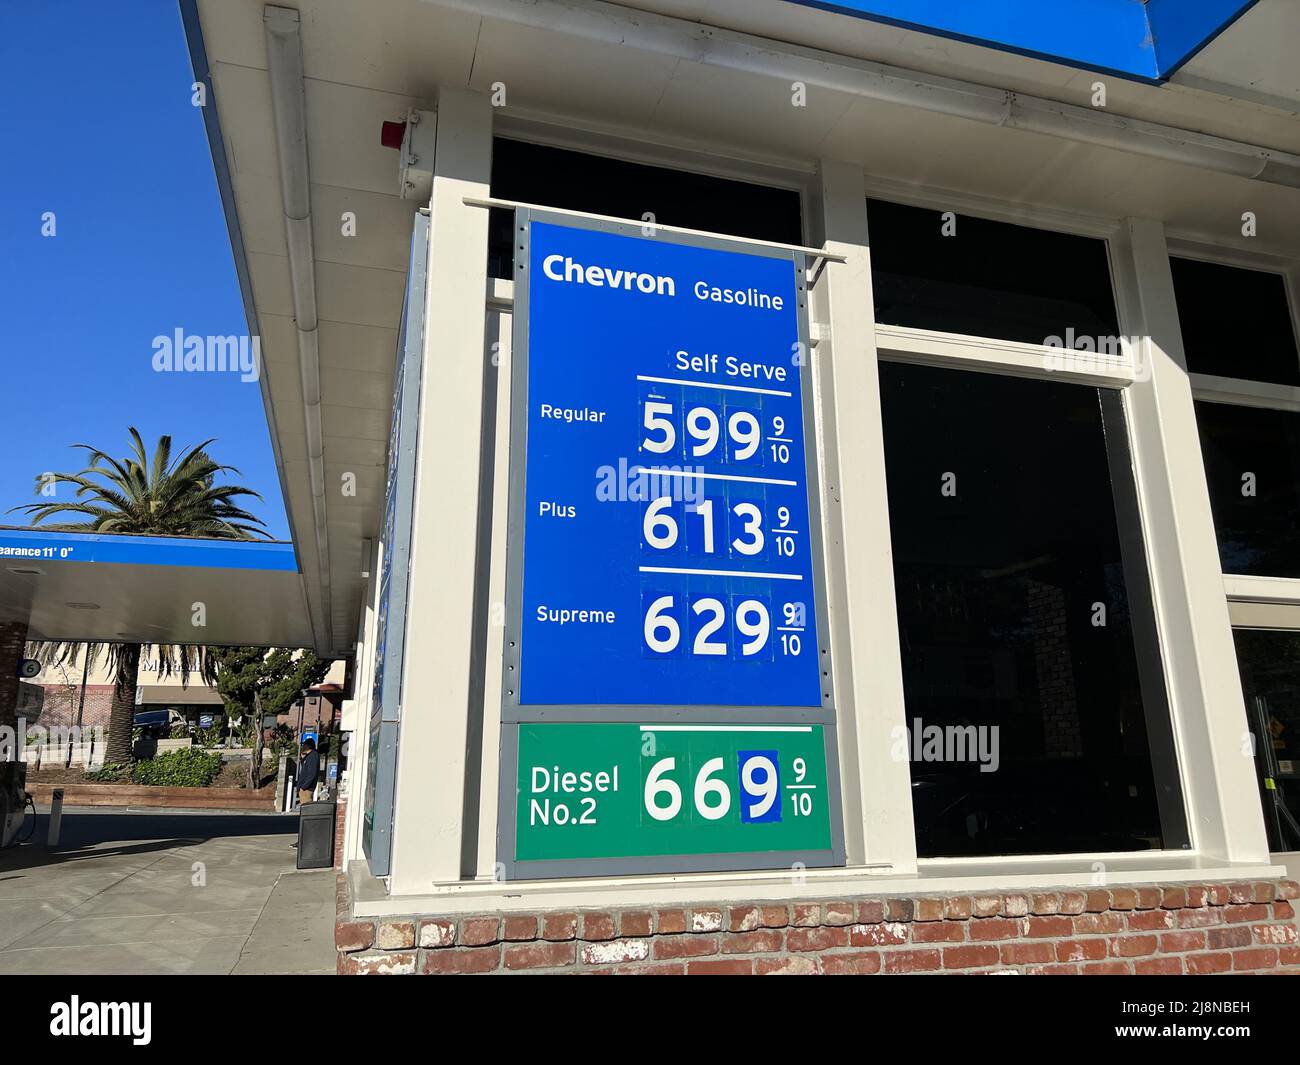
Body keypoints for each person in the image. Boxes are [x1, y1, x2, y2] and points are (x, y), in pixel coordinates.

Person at [297, 738, 320, 808]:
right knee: (305, 809)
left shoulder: (313, 756)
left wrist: (304, 787)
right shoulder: (309, 756)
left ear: (308, 746)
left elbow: (312, 773)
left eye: (304, 745)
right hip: (305, 788)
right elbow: (305, 768)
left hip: (307, 789)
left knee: (307, 809)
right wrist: (303, 758)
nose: (303, 746)